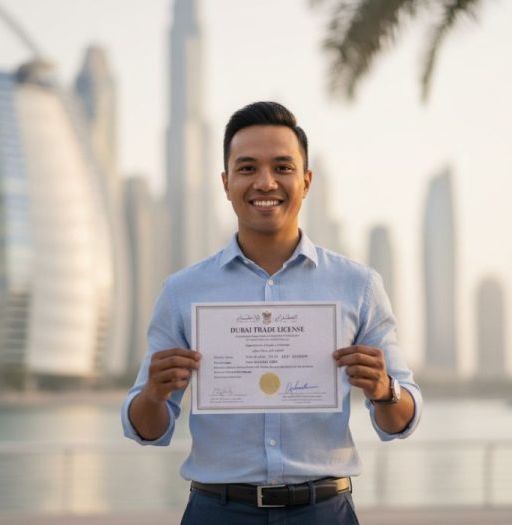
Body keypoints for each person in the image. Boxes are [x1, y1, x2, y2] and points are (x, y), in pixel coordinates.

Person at [122, 101, 422, 524]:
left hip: (324, 512)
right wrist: (153, 394)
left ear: (306, 180)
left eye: (282, 167)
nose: (265, 183)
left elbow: (400, 422)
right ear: (226, 184)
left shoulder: (358, 285)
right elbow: (147, 430)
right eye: (247, 169)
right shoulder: (182, 291)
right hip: (216, 512)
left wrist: (383, 388)